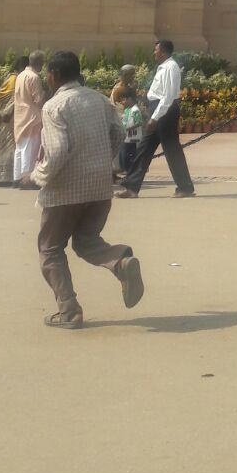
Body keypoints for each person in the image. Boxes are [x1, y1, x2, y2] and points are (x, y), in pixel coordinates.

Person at [32, 50, 144, 329]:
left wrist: (37, 175)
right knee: (86, 241)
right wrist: (100, 160)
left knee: (50, 248)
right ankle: (120, 262)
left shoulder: (54, 106)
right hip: (99, 187)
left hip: (65, 191)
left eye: (48, 74)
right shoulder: (99, 99)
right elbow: (119, 133)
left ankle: (69, 310)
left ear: (54, 75)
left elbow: (56, 151)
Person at [115, 39, 194, 198]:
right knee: (144, 148)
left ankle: (185, 187)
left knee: (172, 150)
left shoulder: (170, 67)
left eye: (156, 50)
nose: (154, 53)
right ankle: (131, 188)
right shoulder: (163, 67)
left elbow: (168, 96)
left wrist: (155, 117)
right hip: (158, 110)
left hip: (165, 112)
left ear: (163, 52)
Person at [13, 50, 46, 189]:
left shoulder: (20, 75)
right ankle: (26, 180)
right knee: (30, 150)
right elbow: (38, 99)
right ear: (39, 62)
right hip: (32, 118)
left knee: (20, 150)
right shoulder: (34, 77)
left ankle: (17, 178)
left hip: (20, 117)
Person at [0, 55, 26, 187]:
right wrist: (7, 113)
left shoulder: (12, 78)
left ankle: (6, 176)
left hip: (11, 116)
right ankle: (4, 177)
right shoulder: (14, 79)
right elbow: (12, 99)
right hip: (9, 116)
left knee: (9, 145)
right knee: (8, 145)